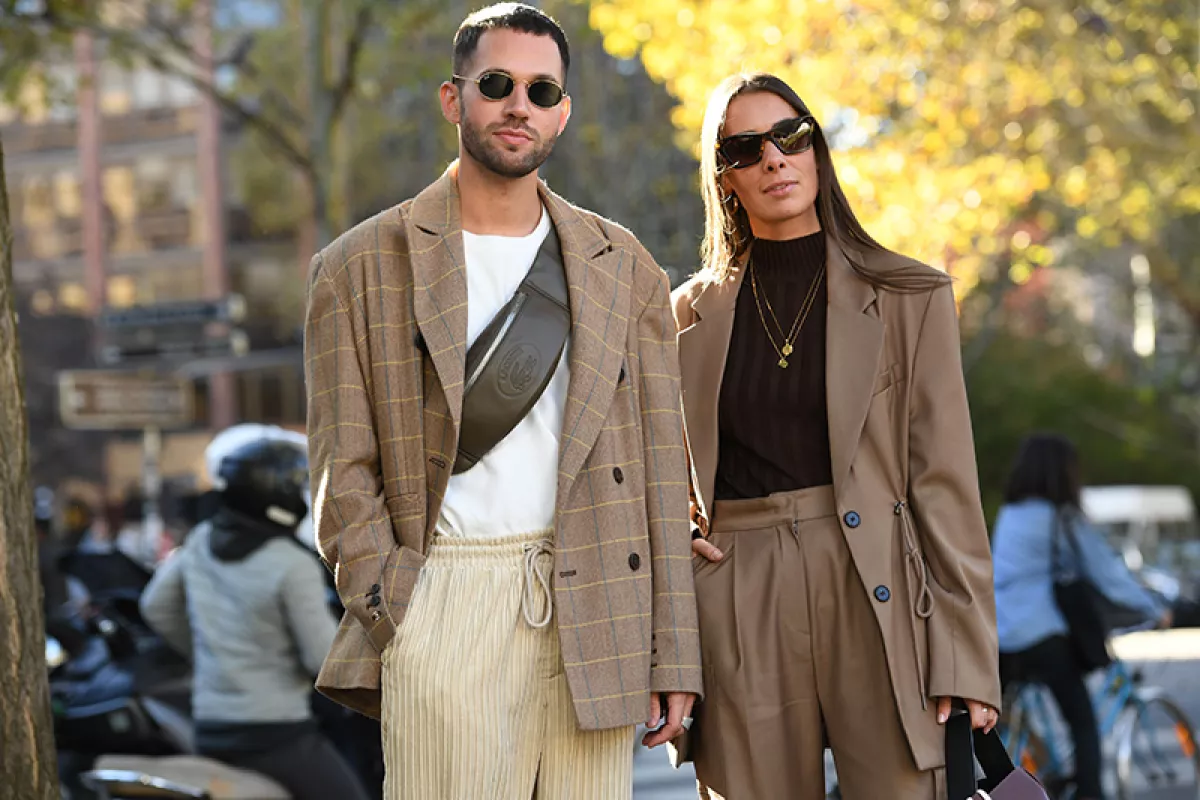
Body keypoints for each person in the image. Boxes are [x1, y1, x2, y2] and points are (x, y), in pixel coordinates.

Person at [302, 4, 701, 799]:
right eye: (496, 84)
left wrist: (674, 652)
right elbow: (341, 471)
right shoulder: (358, 268)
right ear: (453, 98)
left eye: (541, 91)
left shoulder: (623, 265)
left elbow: (663, 470)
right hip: (443, 601)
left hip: (595, 603)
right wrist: (400, 612)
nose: (520, 105)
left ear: (563, 113)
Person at [673, 72, 1001, 799]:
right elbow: (650, 468)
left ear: (817, 149)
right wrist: (671, 539)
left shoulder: (911, 296)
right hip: (740, 587)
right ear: (724, 178)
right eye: (746, 149)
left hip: (875, 579)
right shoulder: (682, 318)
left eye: (790, 137)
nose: (774, 159)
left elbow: (944, 486)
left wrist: (966, 657)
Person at [139, 438, 369, 800]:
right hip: (276, 733)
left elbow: (155, 606)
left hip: (210, 728)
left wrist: (209, 654)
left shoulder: (200, 542)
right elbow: (323, 659)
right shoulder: (293, 564)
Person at [993, 433, 1171, 800]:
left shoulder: (1009, 514)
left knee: (1008, 716)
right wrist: (1155, 609)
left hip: (1001, 635)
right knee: (1083, 723)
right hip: (1042, 634)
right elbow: (1108, 575)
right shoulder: (1062, 517)